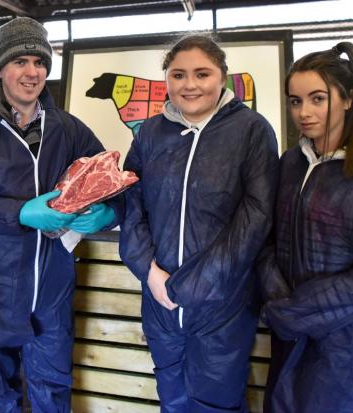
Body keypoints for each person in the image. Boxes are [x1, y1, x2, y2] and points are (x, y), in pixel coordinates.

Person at [0, 16, 123, 412]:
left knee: (51, 389)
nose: (32, 71)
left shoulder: (68, 129)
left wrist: (107, 213)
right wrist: (20, 213)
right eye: (20, 61)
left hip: (50, 288)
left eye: (40, 62)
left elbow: (113, 180)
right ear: (0, 68)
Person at [119, 34, 280, 412]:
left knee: (216, 403)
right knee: (172, 398)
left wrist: (192, 285)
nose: (190, 85)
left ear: (222, 77)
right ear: (167, 80)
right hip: (159, 299)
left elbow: (256, 215)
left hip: (222, 303)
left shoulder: (252, 131)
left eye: (202, 74)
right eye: (178, 75)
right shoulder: (150, 133)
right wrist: (150, 273)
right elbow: (131, 201)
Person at [257, 41, 353, 413]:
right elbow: (268, 238)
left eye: (317, 99)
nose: (304, 112)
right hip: (287, 336)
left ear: (348, 99)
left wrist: (300, 310)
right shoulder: (291, 163)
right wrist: (277, 296)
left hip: (344, 345)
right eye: (295, 101)